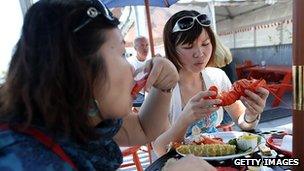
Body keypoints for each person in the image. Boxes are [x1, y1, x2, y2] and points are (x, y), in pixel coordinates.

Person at [0, 1, 215, 170]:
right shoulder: (20, 155)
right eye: (122, 53)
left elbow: (143, 129)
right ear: (82, 69)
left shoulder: (78, 116)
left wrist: (164, 87)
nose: (132, 68)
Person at [153, 10, 269, 156]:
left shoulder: (217, 77)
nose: (200, 53)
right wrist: (184, 119)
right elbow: (159, 149)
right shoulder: (161, 89)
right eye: (188, 46)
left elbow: (242, 121)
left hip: (215, 158)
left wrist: (251, 114)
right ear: (172, 49)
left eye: (205, 43)